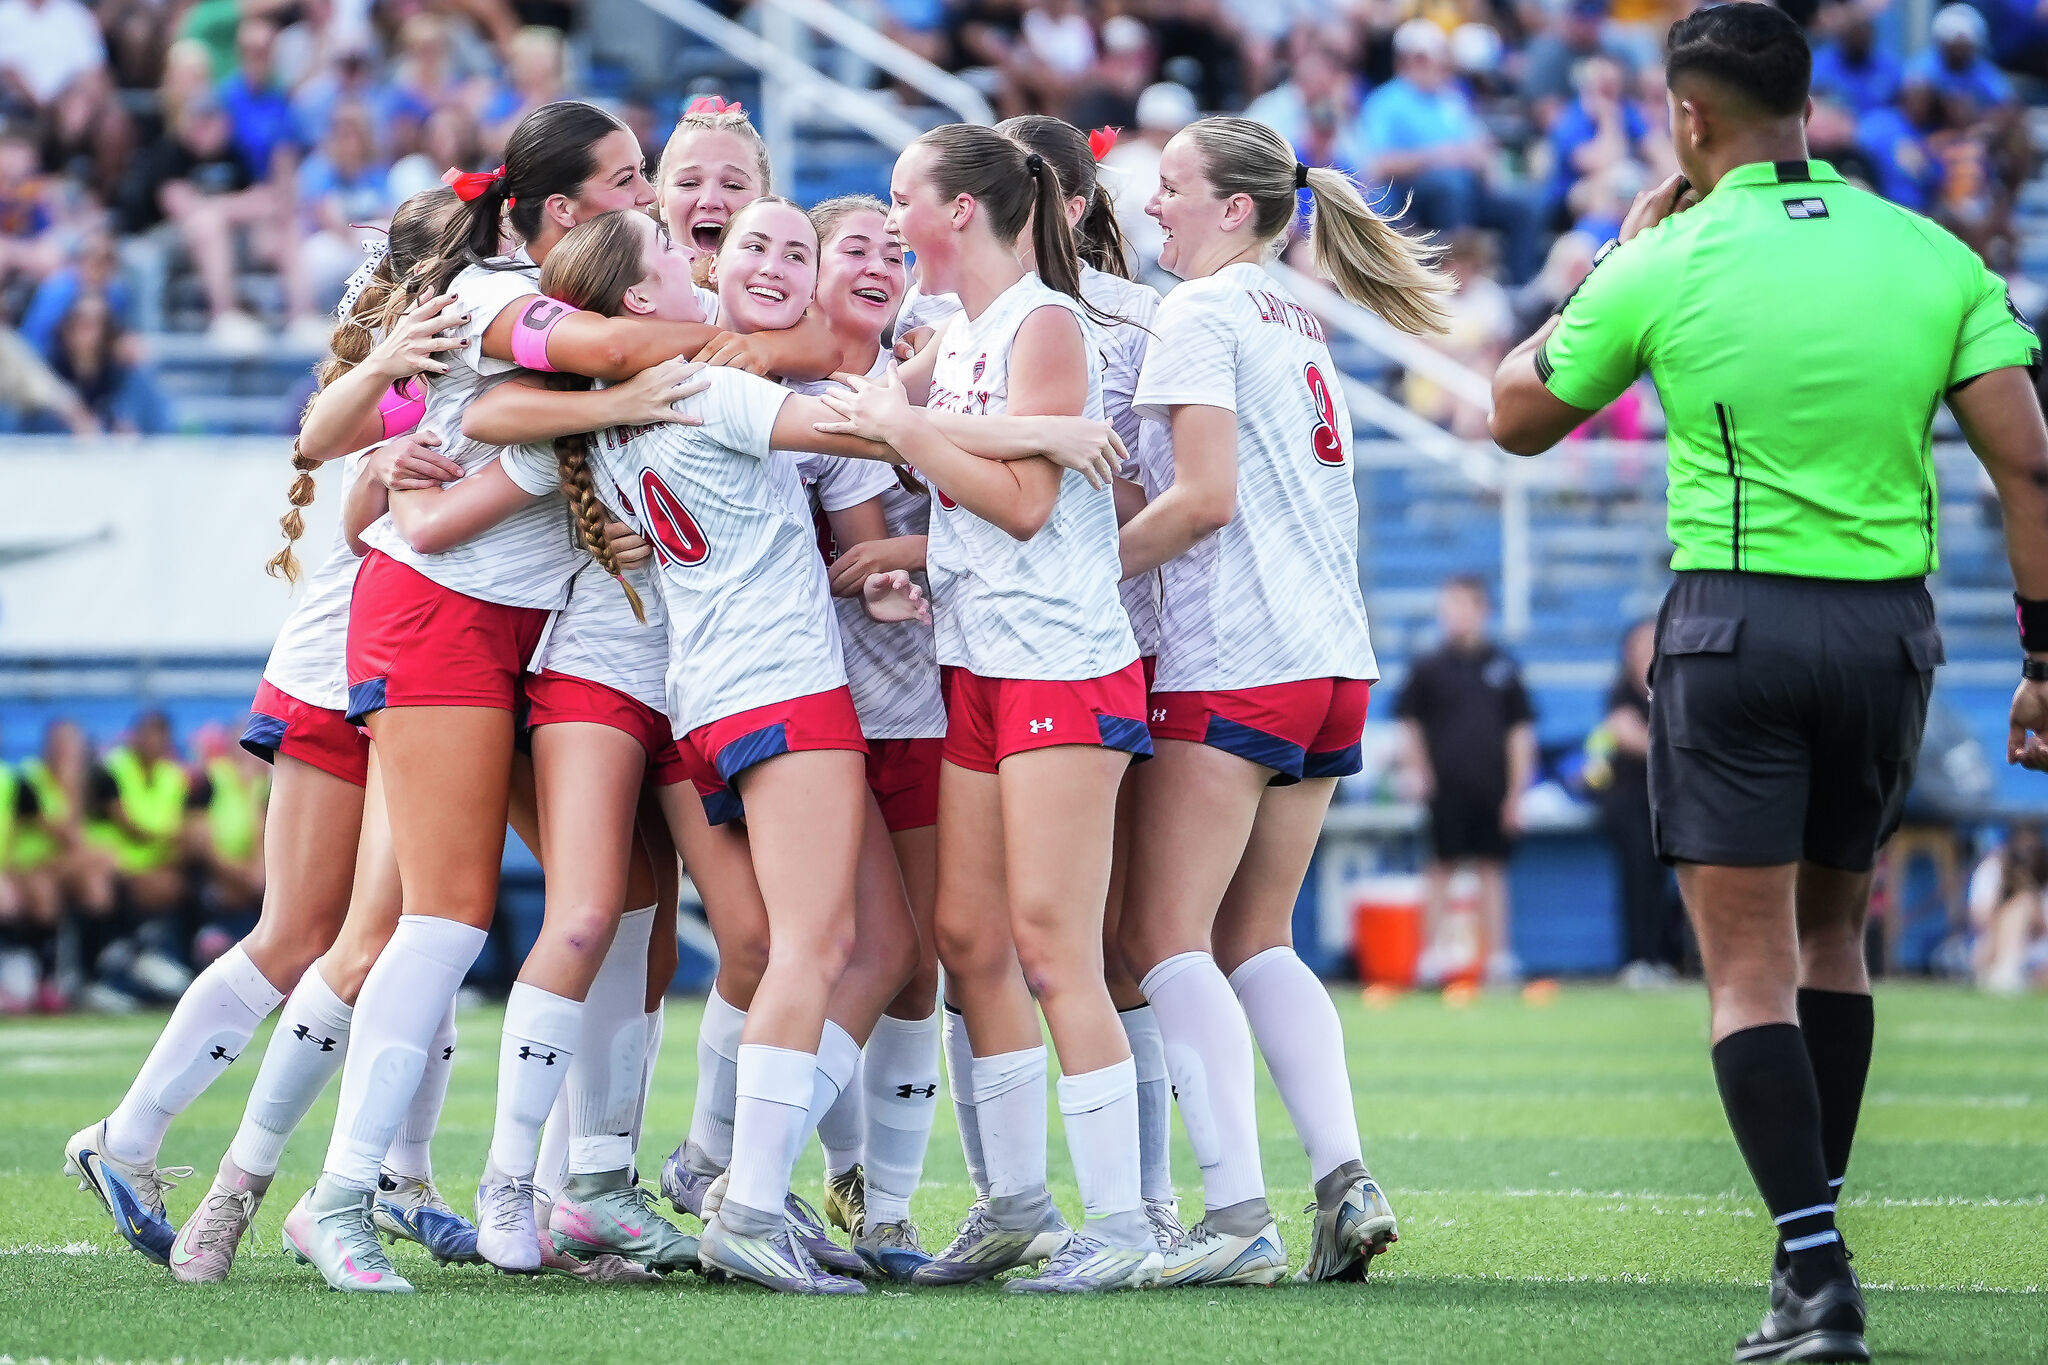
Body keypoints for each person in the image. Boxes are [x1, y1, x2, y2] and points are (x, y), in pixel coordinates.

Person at [1488, 7, 2046, 1360]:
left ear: (1687, 121)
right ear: (1809, 103)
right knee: (1831, 944)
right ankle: (1814, 1247)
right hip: (1886, 637)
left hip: (1733, 628)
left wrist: (1619, 246)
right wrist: (2041, 657)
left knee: (1745, 973)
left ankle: (1814, 1273)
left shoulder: (1667, 257)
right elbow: (2030, 466)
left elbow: (1511, 414)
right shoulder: (1935, 252)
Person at [278, 99, 817, 1297]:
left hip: (660, 666)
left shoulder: (693, 315)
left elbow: (501, 427)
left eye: (721, 185)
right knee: (439, 920)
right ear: (581, 211)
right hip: (509, 647)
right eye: (655, 180)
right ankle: (340, 1185)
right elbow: (450, 432)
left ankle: (617, 1184)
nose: (680, 202)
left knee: (648, 922)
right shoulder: (539, 302)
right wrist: (640, 387)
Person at [62, 191, 485, 1281]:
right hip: (351, 668)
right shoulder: (419, 357)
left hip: (400, 665)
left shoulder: (438, 349)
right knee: (309, 931)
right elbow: (343, 472)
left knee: (399, 926)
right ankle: (130, 1138)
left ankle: (396, 1173)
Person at [1111, 111, 1448, 1287]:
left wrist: (1074, 575)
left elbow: (1200, 498)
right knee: (1256, 939)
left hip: (1235, 656)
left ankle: (1234, 1214)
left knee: (1158, 938)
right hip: (1329, 662)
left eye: (1170, 186)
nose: (1151, 205)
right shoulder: (1290, 312)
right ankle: (1343, 1176)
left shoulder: (1200, 312)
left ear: (1235, 210)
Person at [826, 122, 1162, 1295]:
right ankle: (1017, 1204)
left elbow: (1020, 507)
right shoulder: (959, 331)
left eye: (900, 196)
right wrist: (944, 444)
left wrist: (915, 431)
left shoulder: (1045, 321)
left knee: (1051, 947)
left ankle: (1123, 1226)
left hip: (1060, 660)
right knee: (964, 939)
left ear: (957, 211)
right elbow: (874, 416)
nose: (889, 214)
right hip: (976, 659)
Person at [1396, 575, 1536, 987]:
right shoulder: (1428, 668)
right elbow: (1411, 724)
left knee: (1493, 869)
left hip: (1490, 786)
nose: (1454, 615)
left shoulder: (1504, 667)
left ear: (1482, 611)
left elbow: (1520, 733)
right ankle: (1431, 959)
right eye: (1448, 607)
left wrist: (1516, 792)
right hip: (1446, 787)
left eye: (1462, 606)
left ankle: (1498, 959)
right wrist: (1418, 771)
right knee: (1440, 866)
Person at [1591, 618, 1682, 986]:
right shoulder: (1620, 693)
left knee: (1668, 883)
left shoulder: (1676, 689)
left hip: (1671, 802)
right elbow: (1631, 737)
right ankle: (1638, 958)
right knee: (1637, 878)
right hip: (1630, 803)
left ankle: (1666, 956)